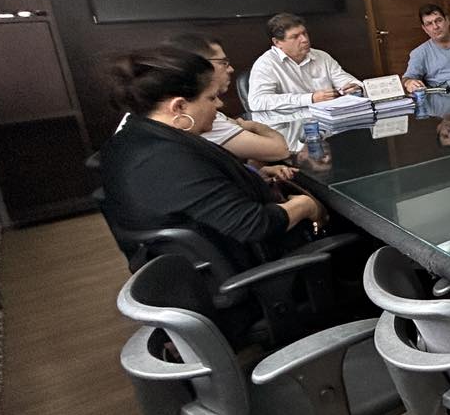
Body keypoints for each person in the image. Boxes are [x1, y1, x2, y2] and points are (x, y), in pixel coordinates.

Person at [100, 47, 328, 272]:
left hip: (208, 259)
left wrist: (252, 177)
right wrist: (304, 205)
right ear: (179, 106)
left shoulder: (132, 138)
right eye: (211, 97)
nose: (219, 105)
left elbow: (199, 196)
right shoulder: (166, 159)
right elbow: (254, 225)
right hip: (256, 268)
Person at [159, 33, 291, 165]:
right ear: (197, 66)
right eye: (223, 63)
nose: (231, 69)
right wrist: (254, 125)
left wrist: (257, 172)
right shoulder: (199, 118)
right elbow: (280, 150)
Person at [246, 12, 362, 112]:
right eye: (295, 37)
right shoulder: (266, 64)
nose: (305, 40)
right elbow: (257, 102)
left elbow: (347, 81)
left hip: (329, 121)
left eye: (304, 33)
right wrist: (310, 99)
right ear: (277, 42)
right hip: (290, 125)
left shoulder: (321, 56)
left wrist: (356, 88)